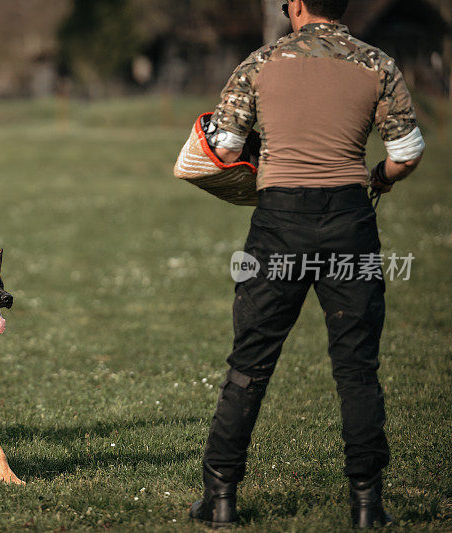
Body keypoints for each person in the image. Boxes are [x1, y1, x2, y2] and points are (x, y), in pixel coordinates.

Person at [188, 0, 424, 528]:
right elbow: (406, 152)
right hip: (349, 222)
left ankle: (220, 499)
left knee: (248, 365)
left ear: (294, 5)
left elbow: (223, 147)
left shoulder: (259, 63)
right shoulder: (377, 63)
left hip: (278, 226)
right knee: (356, 368)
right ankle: (367, 506)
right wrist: (380, 177)